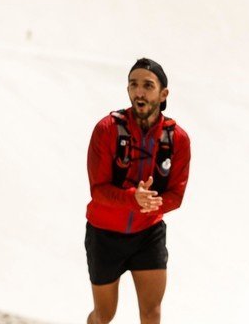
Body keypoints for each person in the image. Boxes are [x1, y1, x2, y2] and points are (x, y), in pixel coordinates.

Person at [85, 58, 190, 324]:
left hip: (148, 234)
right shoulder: (107, 129)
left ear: (163, 94)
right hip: (104, 234)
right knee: (104, 315)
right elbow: (98, 190)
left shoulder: (177, 138)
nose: (139, 92)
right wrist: (133, 198)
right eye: (133, 85)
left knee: (151, 312)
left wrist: (149, 204)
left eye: (147, 85)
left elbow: (176, 196)